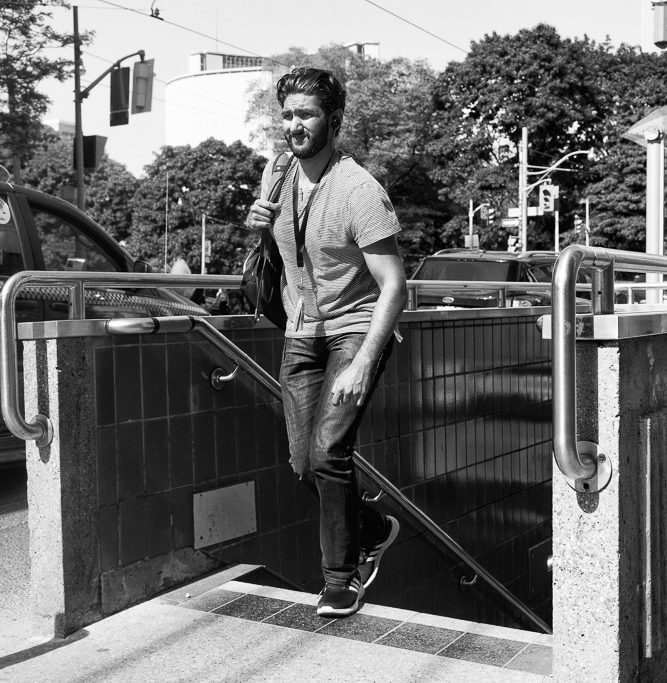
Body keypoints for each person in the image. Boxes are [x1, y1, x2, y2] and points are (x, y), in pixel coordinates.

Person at [244, 67, 407, 618]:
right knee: (301, 463)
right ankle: (374, 526)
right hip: (300, 332)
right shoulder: (278, 173)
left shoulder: (360, 190)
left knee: (328, 452)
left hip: (354, 331)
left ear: (333, 120)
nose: (295, 124)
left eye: (306, 113)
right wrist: (258, 221)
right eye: (287, 114)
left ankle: (340, 579)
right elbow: (283, 252)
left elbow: (393, 284)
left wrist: (363, 360)